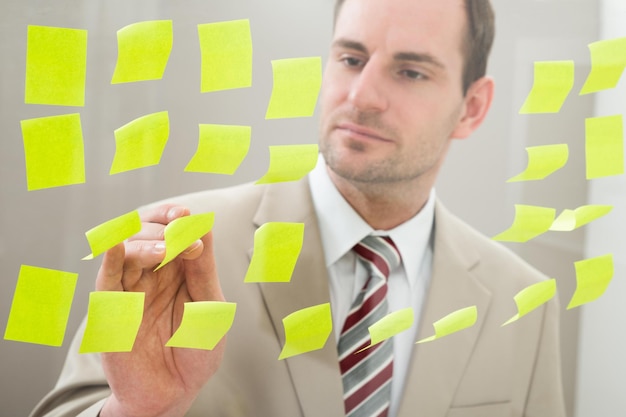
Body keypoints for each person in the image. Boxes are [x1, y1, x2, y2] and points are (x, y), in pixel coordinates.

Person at [31, 0, 566, 415]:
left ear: (472, 108)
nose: (361, 96)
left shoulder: (524, 303)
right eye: (351, 58)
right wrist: (134, 412)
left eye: (410, 72)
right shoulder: (173, 247)